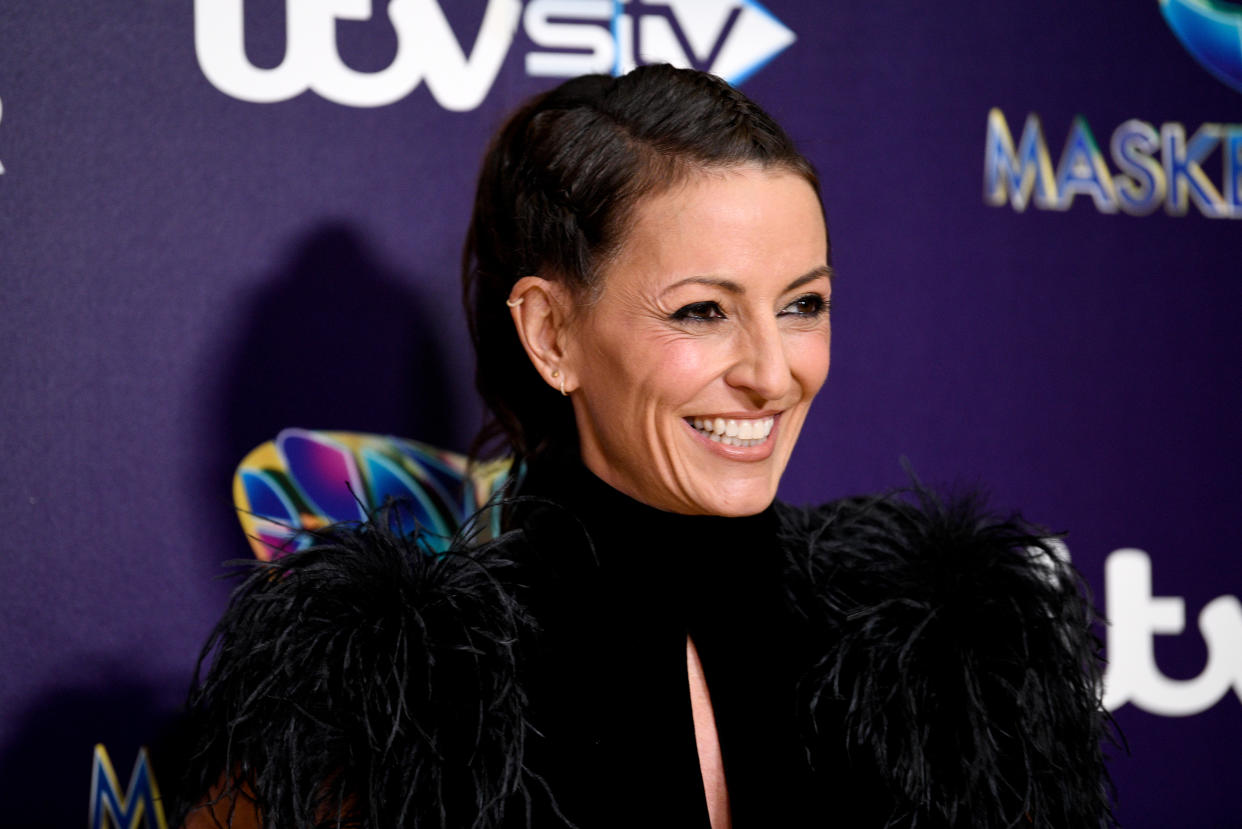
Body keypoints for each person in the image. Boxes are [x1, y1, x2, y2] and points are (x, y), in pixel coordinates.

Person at [175, 66, 1113, 828]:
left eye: (803, 305)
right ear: (551, 335)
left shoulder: (952, 663)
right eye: (702, 310)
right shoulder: (397, 694)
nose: (772, 372)